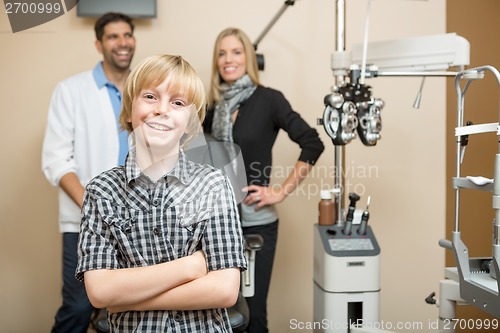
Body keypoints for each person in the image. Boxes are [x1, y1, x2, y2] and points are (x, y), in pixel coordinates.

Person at [75, 54, 247, 332]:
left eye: (178, 103)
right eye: (151, 97)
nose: (162, 109)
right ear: (130, 109)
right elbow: (100, 293)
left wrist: (126, 299)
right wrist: (192, 266)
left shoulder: (213, 185)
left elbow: (224, 290)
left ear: (190, 123)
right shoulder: (101, 192)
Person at [203, 27, 325, 332]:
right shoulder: (211, 107)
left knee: (253, 314)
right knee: (217, 312)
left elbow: (312, 142)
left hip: (257, 222)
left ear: (249, 58)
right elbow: (199, 160)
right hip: (215, 222)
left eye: (236, 52)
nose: (228, 59)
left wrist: (280, 192)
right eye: (221, 53)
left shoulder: (269, 99)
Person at [41, 12, 136, 333]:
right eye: (113, 36)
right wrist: (96, 209)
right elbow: (56, 160)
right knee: (79, 307)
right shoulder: (71, 91)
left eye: (127, 35)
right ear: (99, 44)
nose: (122, 43)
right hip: (85, 223)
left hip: (142, 220)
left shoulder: (147, 89)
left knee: (139, 308)